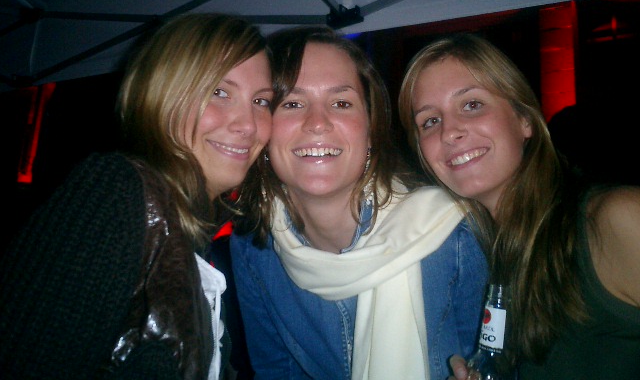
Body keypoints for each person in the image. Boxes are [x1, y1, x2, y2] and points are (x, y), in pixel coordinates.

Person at [0, 13, 273, 380]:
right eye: (219, 92)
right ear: (163, 93)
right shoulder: (115, 195)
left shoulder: (193, 235)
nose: (249, 125)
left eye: (261, 101)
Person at [230, 25, 488, 379]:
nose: (317, 123)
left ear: (370, 129)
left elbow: (496, 363)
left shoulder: (454, 235)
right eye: (292, 103)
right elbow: (277, 371)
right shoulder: (253, 245)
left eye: (341, 103)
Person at [397, 32, 640, 379]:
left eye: (472, 104)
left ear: (524, 119)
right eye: (430, 121)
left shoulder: (615, 219)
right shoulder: (482, 257)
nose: (449, 132)